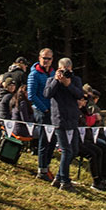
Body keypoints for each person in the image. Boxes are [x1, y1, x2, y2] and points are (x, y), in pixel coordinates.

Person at [44, 57, 84, 191]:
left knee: (74, 150)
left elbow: (79, 95)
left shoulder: (76, 80)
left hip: (72, 119)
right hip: (59, 119)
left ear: (71, 69)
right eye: (62, 70)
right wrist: (56, 80)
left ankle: (59, 177)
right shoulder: (51, 80)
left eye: (67, 70)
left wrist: (68, 84)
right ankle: (65, 182)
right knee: (66, 150)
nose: (65, 73)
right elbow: (47, 94)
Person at [28, 48, 56, 181]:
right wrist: (44, 109)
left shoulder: (53, 73)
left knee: (53, 140)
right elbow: (31, 95)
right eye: (44, 58)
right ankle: (41, 169)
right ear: (39, 58)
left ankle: (47, 165)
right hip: (41, 110)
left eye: (49, 59)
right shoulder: (34, 74)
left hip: (53, 110)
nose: (46, 61)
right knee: (44, 139)